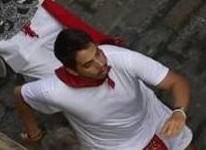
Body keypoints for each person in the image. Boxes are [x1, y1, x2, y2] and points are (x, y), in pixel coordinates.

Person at [13, 28, 194, 149]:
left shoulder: (121, 58)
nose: (101, 64)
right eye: (88, 64)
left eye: (98, 53)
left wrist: (179, 112)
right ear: (71, 70)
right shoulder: (53, 90)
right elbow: (20, 94)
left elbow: (176, 82)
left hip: (155, 120)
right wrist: (33, 133)